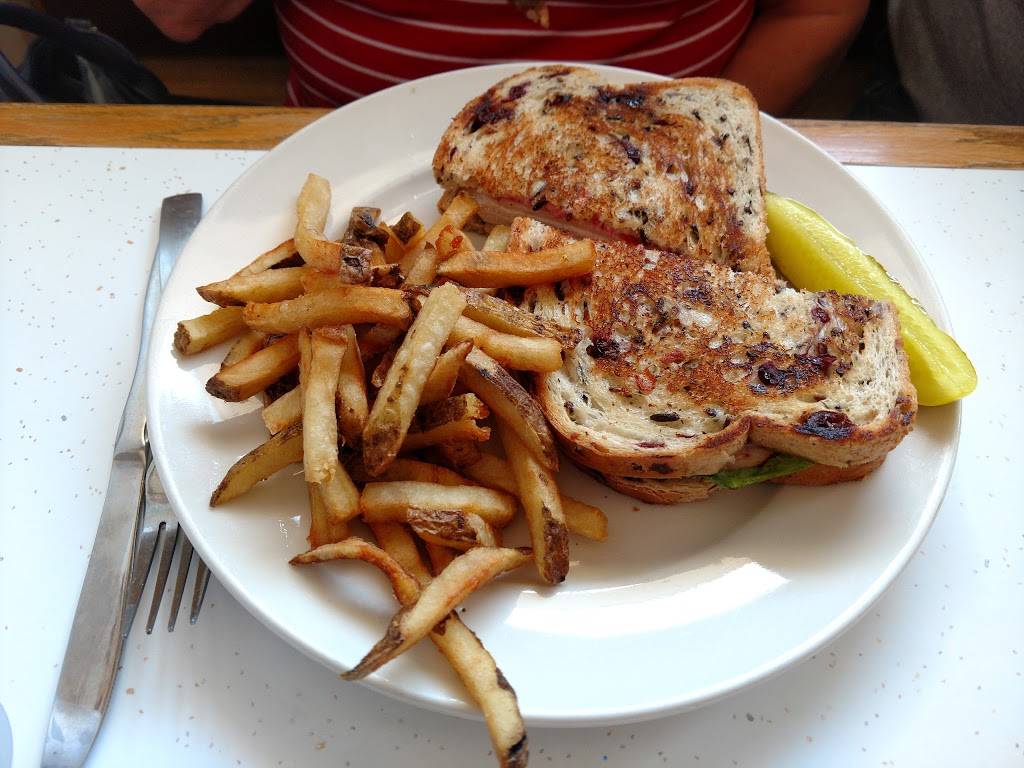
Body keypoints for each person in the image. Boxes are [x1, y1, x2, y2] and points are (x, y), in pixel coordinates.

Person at [132, 0, 869, 115]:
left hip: (670, 162)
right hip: (343, 157)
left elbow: (819, 9)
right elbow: (180, 14)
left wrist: (688, 143)